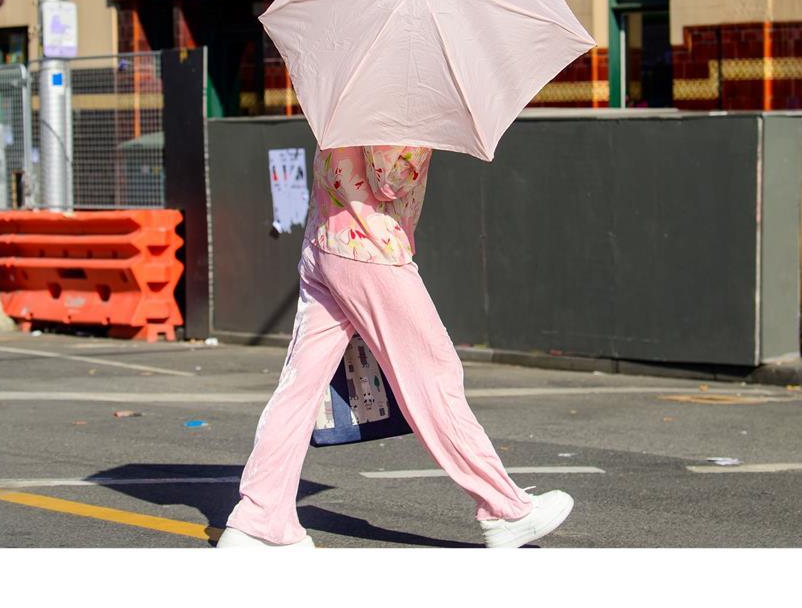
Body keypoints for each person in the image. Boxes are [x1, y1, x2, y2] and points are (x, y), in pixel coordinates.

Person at [219, 145, 573, 548]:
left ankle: (258, 519)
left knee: (299, 387)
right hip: (369, 247)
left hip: (325, 239)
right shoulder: (394, 95)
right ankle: (503, 508)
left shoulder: (346, 88)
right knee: (433, 375)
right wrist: (421, 142)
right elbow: (389, 179)